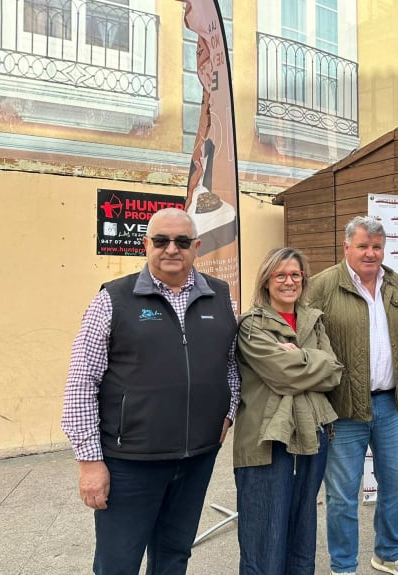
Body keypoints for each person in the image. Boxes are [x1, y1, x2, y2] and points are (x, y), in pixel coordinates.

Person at [61, 208, 240, 574]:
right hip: (131, 462)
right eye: (161, 240)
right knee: (118, 563)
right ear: (146, 244)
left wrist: (228, 411)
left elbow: (232, 365)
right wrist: (90, 461)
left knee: (174, 556)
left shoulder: (222, 298)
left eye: (181, 241)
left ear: (197, 247)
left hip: (197, 458)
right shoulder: (113, 299)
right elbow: (81, 382)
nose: (171, 249)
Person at [308, 216, 398, 575]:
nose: (370, 253)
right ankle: (343, 566)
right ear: (346, 247)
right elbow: (305, 339)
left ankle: (388, 552)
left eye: (376, 246)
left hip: (389, 403)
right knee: (342, 495)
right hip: (342, 408)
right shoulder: (323, 285)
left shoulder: (395, 286)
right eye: (363, 246)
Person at [232, 247, 343, 574]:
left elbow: (335, 371)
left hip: (312, 435)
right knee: (264, 534)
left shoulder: (313, 319)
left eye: (295, 274)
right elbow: (282, 375)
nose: (289, 281)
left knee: (302, 530)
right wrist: (312, 362)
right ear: (267, 281)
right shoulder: (252, 326)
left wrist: (299, 357)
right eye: (280, 275)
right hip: (266, 441)